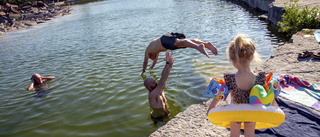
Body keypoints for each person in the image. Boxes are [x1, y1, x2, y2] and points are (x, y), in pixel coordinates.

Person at [207, 34, 278, 137]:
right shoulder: (260, 78)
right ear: (252, 57)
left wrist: (211, 109)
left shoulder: (230, 79)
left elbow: (220, 95)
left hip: (235, 111)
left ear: (232, 60)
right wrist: (276, 109)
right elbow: (268, 95)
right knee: (250, 134)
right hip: (252, 110)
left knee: (234, 134)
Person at [142, 32, 218, 74]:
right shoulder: (154, 49)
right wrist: (152, 66)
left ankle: (198, 47)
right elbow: (155, 59)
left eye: (152, 58)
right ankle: (206, 44)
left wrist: (143, 70)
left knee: (180, 42)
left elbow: (145, 62)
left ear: (150, 56)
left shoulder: (148, 51)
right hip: (166, 37)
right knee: (187, 42)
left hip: (164, 41)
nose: (154, 58)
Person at [143, 52, 174, 122]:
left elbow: (163, 76)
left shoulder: (159, 89)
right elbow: (162, 81)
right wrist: (167, 63)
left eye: (155, 81)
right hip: (158, 117)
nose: (156, 83)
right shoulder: (152, 95)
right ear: (149, 87)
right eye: (153, 83)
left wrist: (169, 64)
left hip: (165, 112)